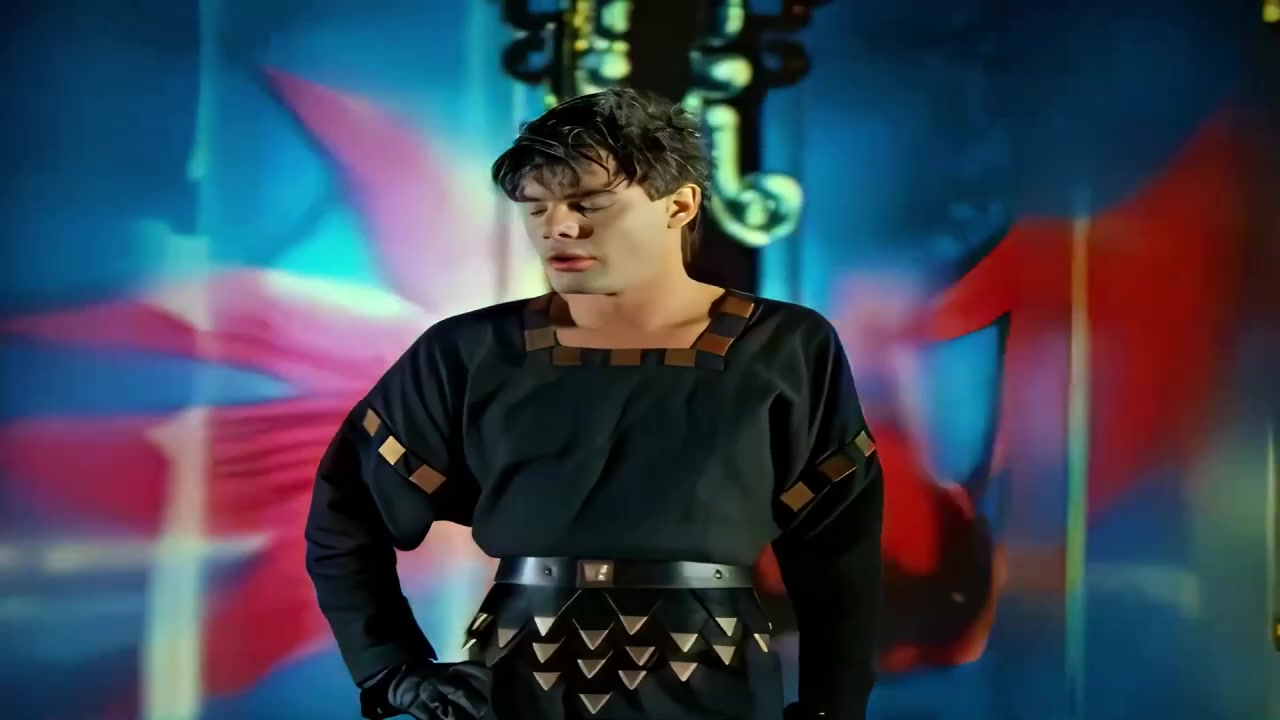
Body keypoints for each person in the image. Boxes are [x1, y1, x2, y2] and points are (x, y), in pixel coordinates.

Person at [305, 88, 884, 720]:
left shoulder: (783, 346)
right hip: (516, 685)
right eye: (536, 207)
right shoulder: (469, 352)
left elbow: (839, 553)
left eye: (589, 203)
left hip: (718, 684)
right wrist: (392, 667)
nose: (557, 227)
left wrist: (833, 707)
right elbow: (347, 512)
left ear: (679, 204)